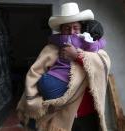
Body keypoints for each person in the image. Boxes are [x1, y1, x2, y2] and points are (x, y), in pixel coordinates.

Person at [17, 2, 111, 131]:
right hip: (59, 113)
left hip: (86, 113)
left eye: (75, 27)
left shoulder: (91, 48)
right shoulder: (51, 49)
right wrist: (38, 103)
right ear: (61, 30)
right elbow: (34, 74)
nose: (71, 32)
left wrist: (76, 56)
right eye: (67, 28)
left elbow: (103, 63)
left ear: (82, 29)